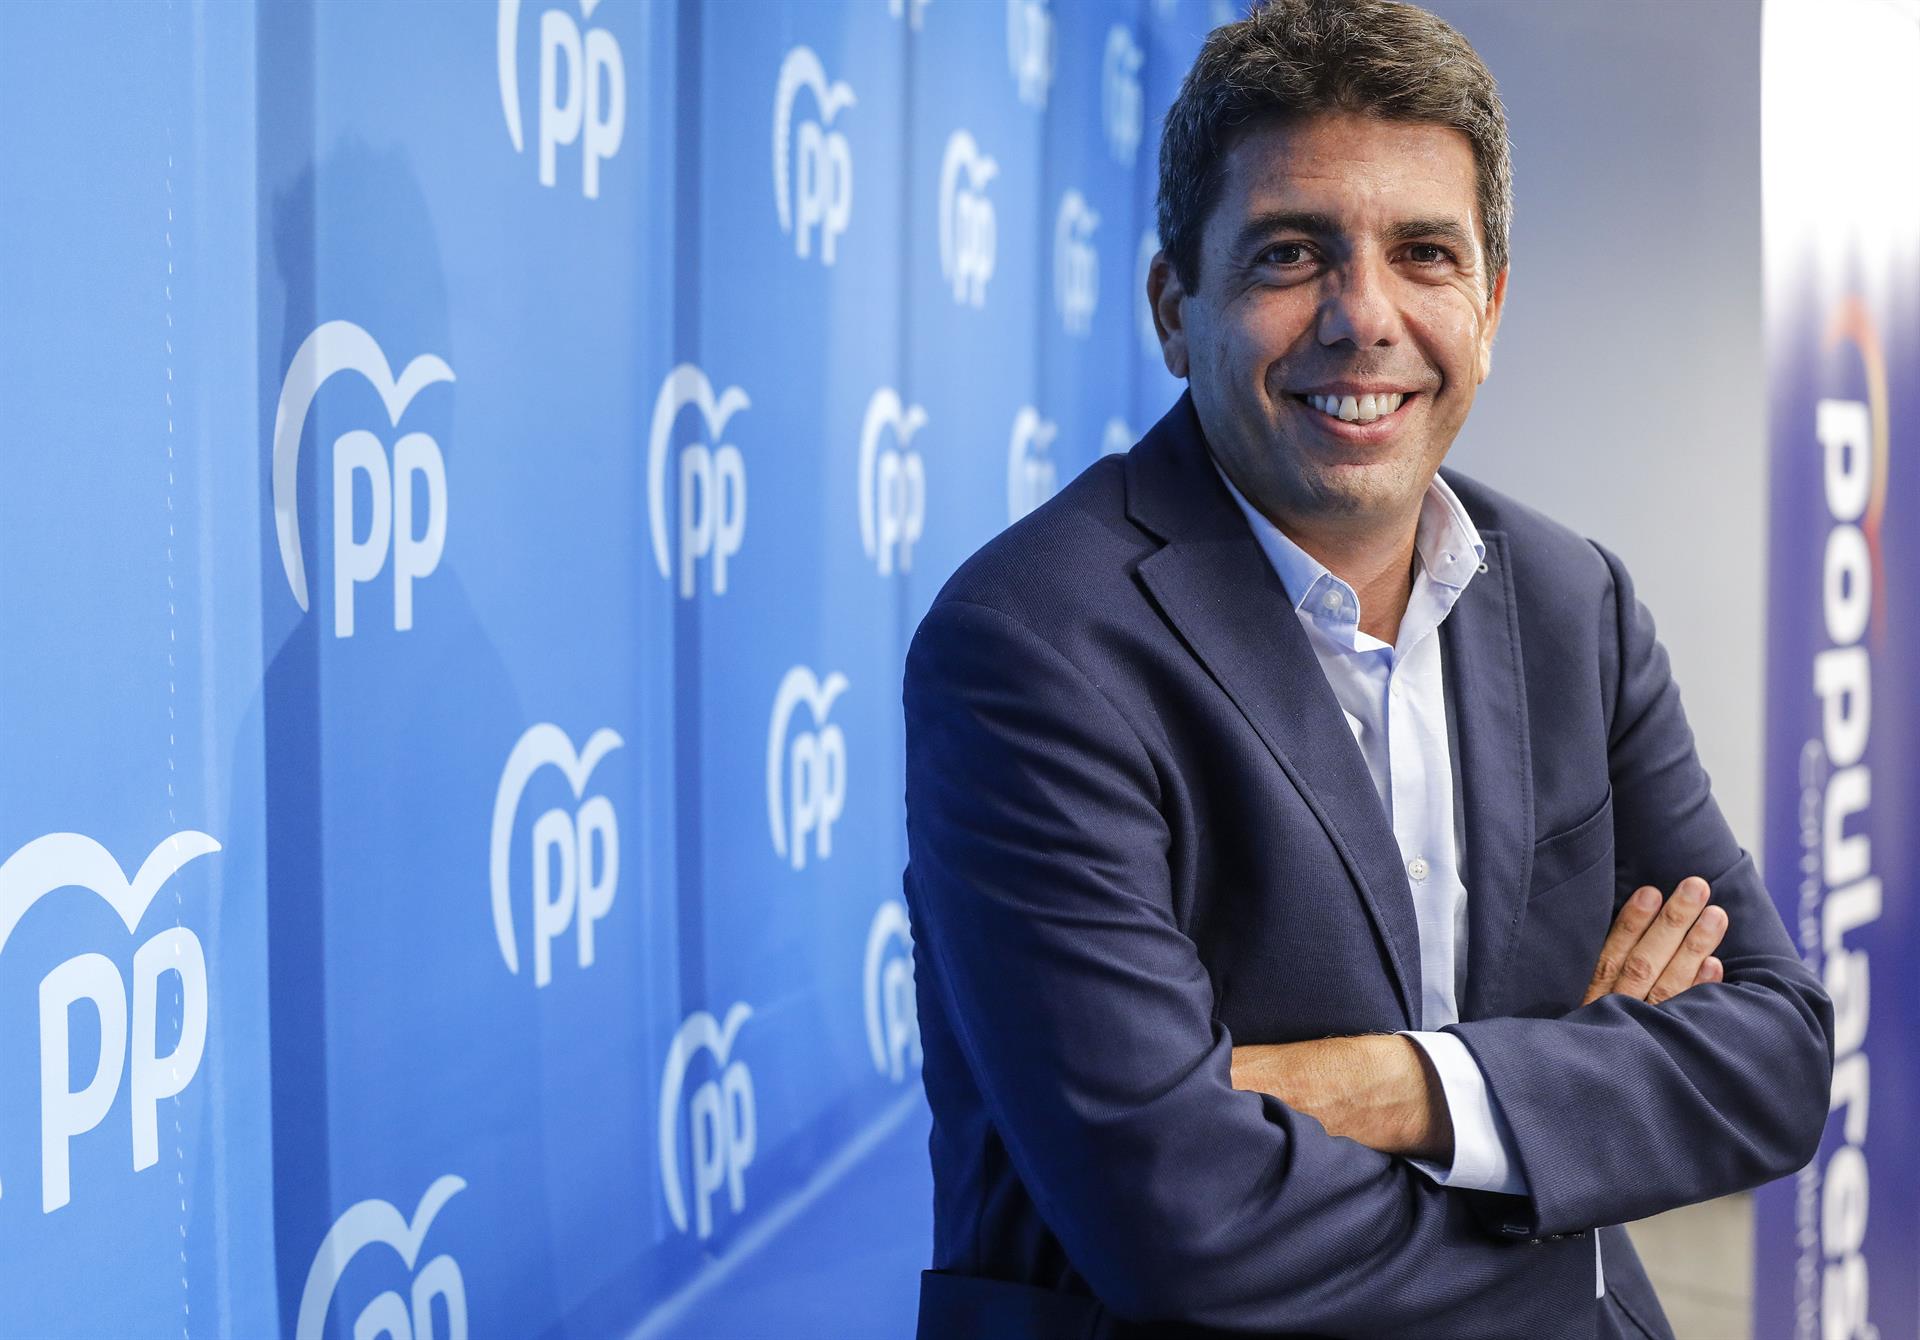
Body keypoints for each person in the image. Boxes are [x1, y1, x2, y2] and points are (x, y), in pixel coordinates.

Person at [899, 1, 1834, 1336]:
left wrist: (1397, 1087)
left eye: (1425, 254)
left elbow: (1777, 1058)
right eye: (1291, 253)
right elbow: (1181, 1223)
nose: (1364, 316)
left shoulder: (1573, 600)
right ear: (1175, 310)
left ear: (1489, 308)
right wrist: (1570, 1120)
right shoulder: (1031, 645)